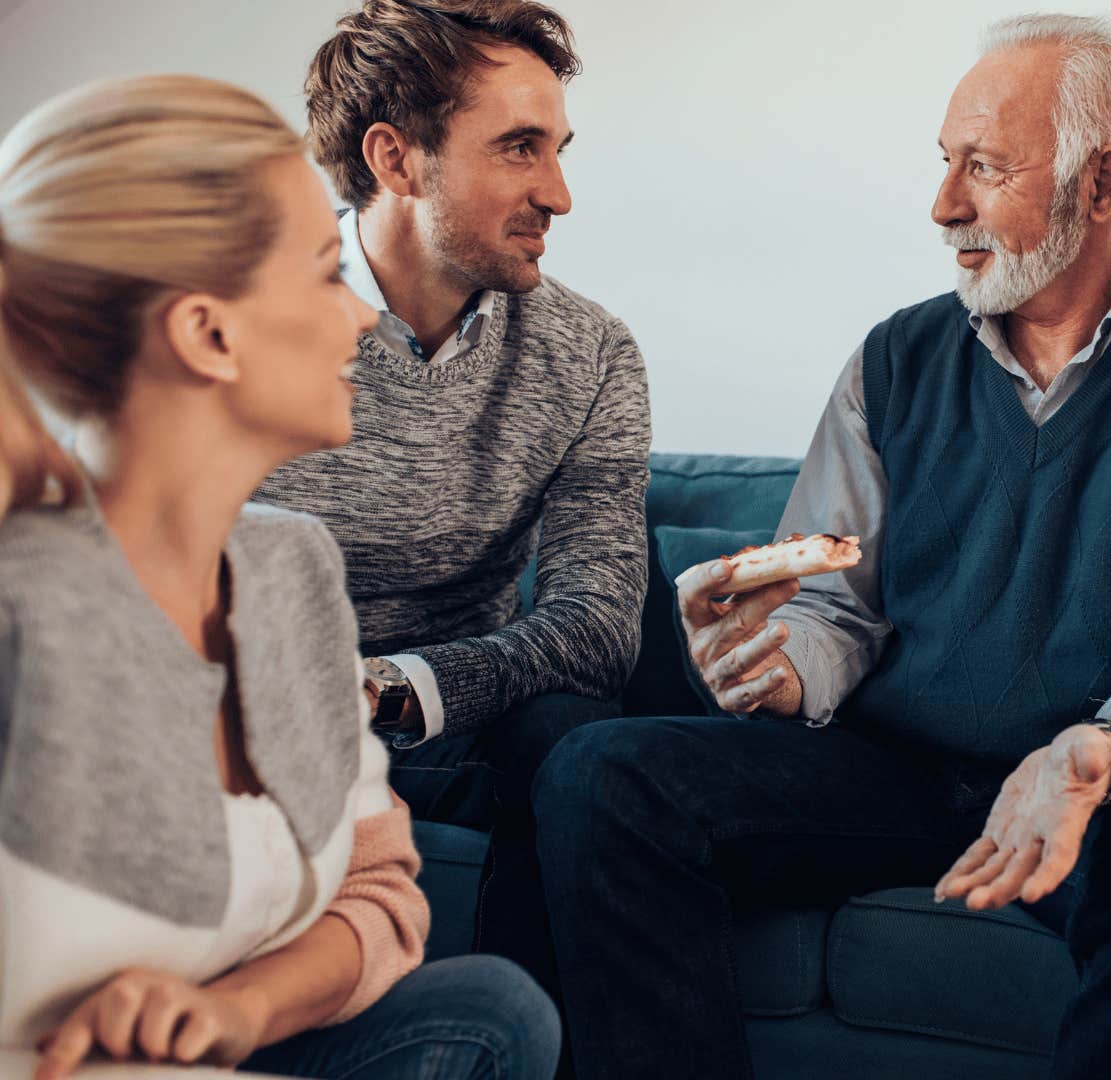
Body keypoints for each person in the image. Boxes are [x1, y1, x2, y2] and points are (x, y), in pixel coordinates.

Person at [526, 14, 1111, 1079]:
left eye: (983, 168)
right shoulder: (891, 362)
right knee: (598, 774)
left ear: (1102, 183)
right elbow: (834, 610)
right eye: (945, 164)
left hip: (1096, 788)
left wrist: (1093, 756)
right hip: (891, 773)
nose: (944, 205)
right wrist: (773, 671)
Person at [0, 75, 559, 1080]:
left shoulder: (285, 566)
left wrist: (233, 1014)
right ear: (207, 333)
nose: (357, 317)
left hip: (225, 1042)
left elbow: (380, 886)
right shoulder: (25, 610)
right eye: (319, 272)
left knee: (492, 1007)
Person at [250, 0, 651, 974]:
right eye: (519, 148)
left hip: (455, 724)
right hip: (260, 717)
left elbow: (600, 626)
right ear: (395, 159)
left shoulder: (590, 354)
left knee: (582, 748)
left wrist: (408, 688)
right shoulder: (246, 326)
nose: (558, 193)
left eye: (557, 148)